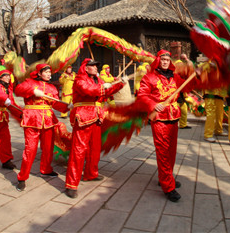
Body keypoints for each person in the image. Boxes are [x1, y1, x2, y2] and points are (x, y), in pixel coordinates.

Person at [135, 50, 199, 203]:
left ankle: (166, 177)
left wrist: (191, 68)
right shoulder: (149, 77)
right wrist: (153, 104)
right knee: (163, 152)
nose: (165, 62)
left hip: (174, 117)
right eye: (162, 59)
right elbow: (142, 96)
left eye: (167, 59)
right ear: (158, 60)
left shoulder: (175, 77)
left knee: (171, 151)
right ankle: (168, 187)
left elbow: (188, 87)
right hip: (159, 119)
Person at [65, 59, 126, 198]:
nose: (95, 67)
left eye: (96, 65)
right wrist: (103, 87)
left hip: (97, 116)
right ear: (85, 68)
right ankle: (71, 184)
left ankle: (91, 174)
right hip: (83, 117)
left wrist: (119, 83)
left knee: (95, 148)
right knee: (78, 150)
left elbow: (107, 91)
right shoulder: (80, 79)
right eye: (92, 65)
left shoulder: (98, 80)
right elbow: (88, 91)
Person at [14, 64, 70, 192]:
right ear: (39, 73)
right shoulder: (29, 82)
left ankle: (45, 170)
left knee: (48, 147)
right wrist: (32, 91)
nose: (49, 74)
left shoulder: (52, 87)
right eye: (46, 72)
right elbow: (18, 90)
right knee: (30, 148)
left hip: (48, 119)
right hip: (32, 119)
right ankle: (22, 177)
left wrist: (67, 107)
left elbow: (55, 103)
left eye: (50, 72)